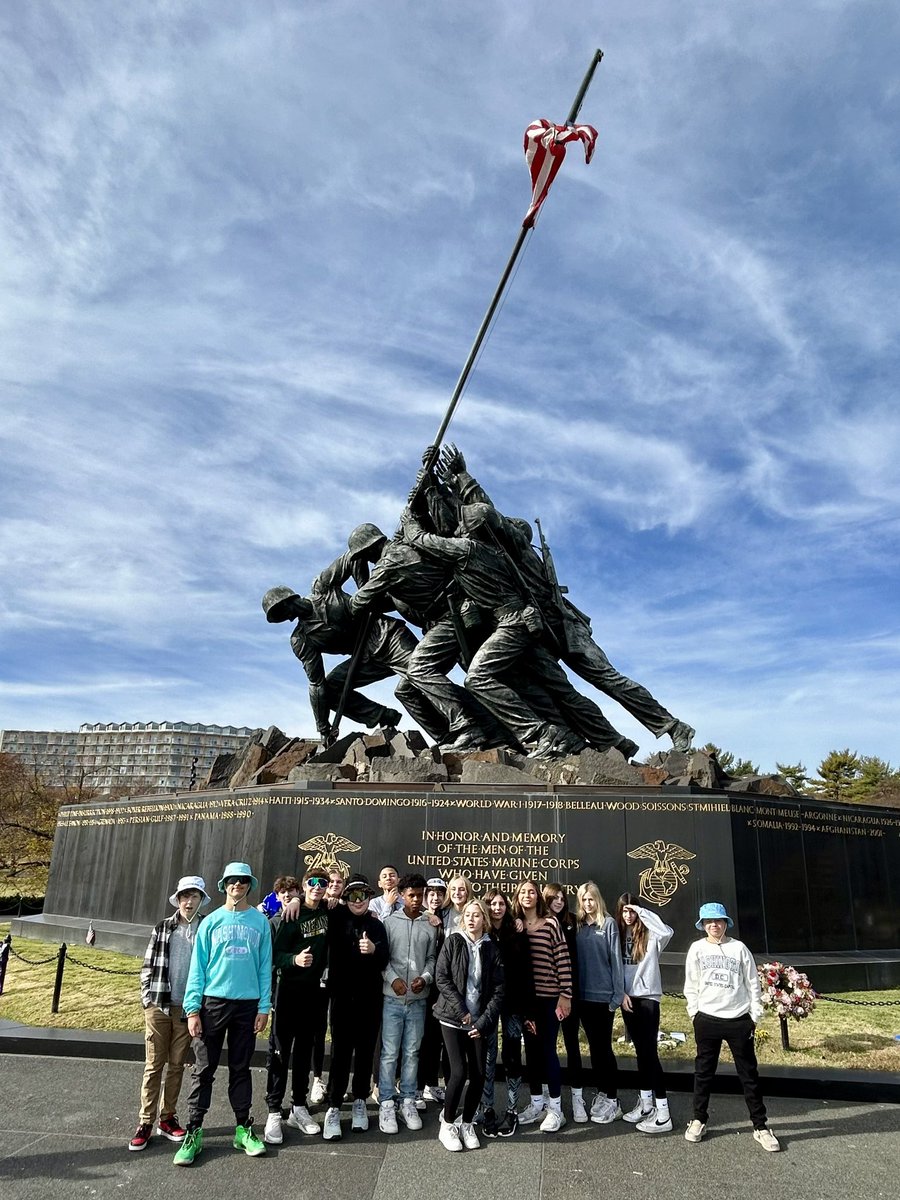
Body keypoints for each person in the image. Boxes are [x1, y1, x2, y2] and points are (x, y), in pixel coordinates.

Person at [175, 861, 272, 1166]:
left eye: (242, 881)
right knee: (203, 1070)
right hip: (212, 1004)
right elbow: (197, 969)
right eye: (232, 881)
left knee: (241, 1069)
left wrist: (264, 1007)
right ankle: (194, 1131)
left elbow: (265, 968)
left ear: (249, 884)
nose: (237, 885)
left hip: (247, 1006)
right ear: (224, 885)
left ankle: (243, 1128)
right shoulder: (211, 922)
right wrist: (192, 1009)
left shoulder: (260, 922)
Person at [684, 902, 780, 1152]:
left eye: (717, 921)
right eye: (708, 922)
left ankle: (760, 1126)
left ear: (726, 923)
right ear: (703, 925)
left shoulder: (739, 948)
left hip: (738, 1020)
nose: (713, 925)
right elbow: (691, 984)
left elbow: (752, 983)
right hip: (707, 1019)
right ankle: (698, 1119)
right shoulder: (696, 949)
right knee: (703, 1073)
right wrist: (694, 1013)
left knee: (749, 1075)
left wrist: (754, 1016)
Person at [130, 874, 210, 1152]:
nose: (189, 901)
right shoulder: (163, 927)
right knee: (154, 1066)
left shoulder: (206, 928)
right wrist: (146, 1000)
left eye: (195, 896)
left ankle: (168, 1117)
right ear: (177, 899)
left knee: (177, 1065)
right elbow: (147, 965)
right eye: (185, 896)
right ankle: (145, 1121)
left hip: (187, 1009)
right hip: (159, 1004)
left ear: (201, 900)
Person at [263, 870, 331, 1143]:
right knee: (280, 1052)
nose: (317, 887)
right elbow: (275, 955)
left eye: (322, 883)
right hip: (288, 993)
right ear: (304, 886)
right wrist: (293, 960)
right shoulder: (290, 915)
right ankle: (273, 1111)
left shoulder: (327, 910)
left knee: (304, 1050)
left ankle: (299, 1106)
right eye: (312, 883)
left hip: (314, 994)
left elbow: (339, 901)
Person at [433, 898, 504, 1151]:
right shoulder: (453, 941)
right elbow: (442, 978)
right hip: (452, 1019)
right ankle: (448, 1123)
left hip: (479, 1021)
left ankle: (467, 1122)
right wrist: (462, 1010)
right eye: (469, 915)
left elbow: (498, 989)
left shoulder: (491, 948)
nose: (472, 919)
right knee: (459, 1072)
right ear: (463, 919)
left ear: (485, 920)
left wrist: (483, 1021)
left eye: (477, 915)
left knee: (478, 1075)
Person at [321, 874, 389, 1139]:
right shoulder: (334, 916)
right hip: (341, 998)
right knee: (340, 1052)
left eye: (363, 895)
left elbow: (385, 958)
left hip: (370, 998)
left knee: (364, 1050)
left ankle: (360, 1099)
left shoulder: (376, 925)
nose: (358, 900)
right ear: (346, 897)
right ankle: (334, 1105)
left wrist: (373, 949)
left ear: (370, 897)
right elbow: (311, 903)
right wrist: (296, 901)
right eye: (353, 895)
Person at [378, 873, 437, 1134]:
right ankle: (387, 1101)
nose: (416, 900)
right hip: (392, 998)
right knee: (390, 1052)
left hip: (418, 1001)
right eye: (411, 895)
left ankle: (409, 1099)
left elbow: (433, 958)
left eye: (420, 895)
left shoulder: (430, 924)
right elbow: (383, 958)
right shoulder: (389, 923)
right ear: (402, 895)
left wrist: (425, 978)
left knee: (412, 1051)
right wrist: (393, 980)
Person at [514, 878, 573, 1132]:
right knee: (533, 1052)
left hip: (550, 999)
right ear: (517, 897)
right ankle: (537, 1103)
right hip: (527, 1001)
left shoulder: (550, 923)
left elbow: (562, 958)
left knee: (548, 1050)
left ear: (538, 897)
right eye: (523, 892)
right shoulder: (515, 926)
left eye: (532, 892)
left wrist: (565, 994)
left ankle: (556, 1108)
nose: (528, 895)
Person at [615, 893, 674, 1133]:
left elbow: (668, 931)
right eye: (624, 911)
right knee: (640, 1051)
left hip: (648, 997)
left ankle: (663, 1113)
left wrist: (643, 913)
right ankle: (646, 1102)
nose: (628, 915)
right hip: (628, 999)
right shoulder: (618, 935)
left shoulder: (651, 934)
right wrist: (621, 993)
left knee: (650, 1052)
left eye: (632, 911)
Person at [481, 888, 533, 1138]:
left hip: (513, 1005)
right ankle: (487, 1107)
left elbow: (526, 971)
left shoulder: (517, 933)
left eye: (501, 904)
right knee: (489, 1057)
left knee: (512, 1056)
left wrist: (527, 1009)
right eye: (492, 904)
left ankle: (511, 1109)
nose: (497, 908)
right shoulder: (482, 933)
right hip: (489, 1004)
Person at [575, 881, 624, 1127]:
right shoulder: (579, 926)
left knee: (604, 1049)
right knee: (594, 1049)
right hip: (583, 997)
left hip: (603, 997)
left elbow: (616, 960)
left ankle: (613, 1099)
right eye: (584, 900)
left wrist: (617, 995)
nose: (588, 903)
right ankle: (602, 1092)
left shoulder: (609, 925)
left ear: (598, 899)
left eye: (591, 899)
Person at [543, 883, 586, 1123]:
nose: (559, 901)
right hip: (547, 995)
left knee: (572, 1045)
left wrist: (567, 993)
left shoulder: (573, 922)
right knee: (547, 1047)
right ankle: (549, 1101)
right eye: (554, 898)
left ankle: (577, 1098)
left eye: (562, 898)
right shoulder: (540, 921)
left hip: (569, 994)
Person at [310, 867, 347, 1106]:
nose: (333, 885)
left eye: (337, 882)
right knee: (316, 1030)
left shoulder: (344, 910)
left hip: (339, 980)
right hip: (315, 979)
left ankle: (335, 1082)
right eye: (329, 881)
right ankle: (317, 1079)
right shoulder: (314, 907)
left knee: (337, 1031)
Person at [417, 877, 449, 1107]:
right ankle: (416, 1088)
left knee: (436, 1038)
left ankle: (430, 1084)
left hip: (442, 987)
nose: (435, 897)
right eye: (431, 893)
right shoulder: (417, 916)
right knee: (421, 1038)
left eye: (440, 893)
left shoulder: (447, 918)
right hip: (421, 984)